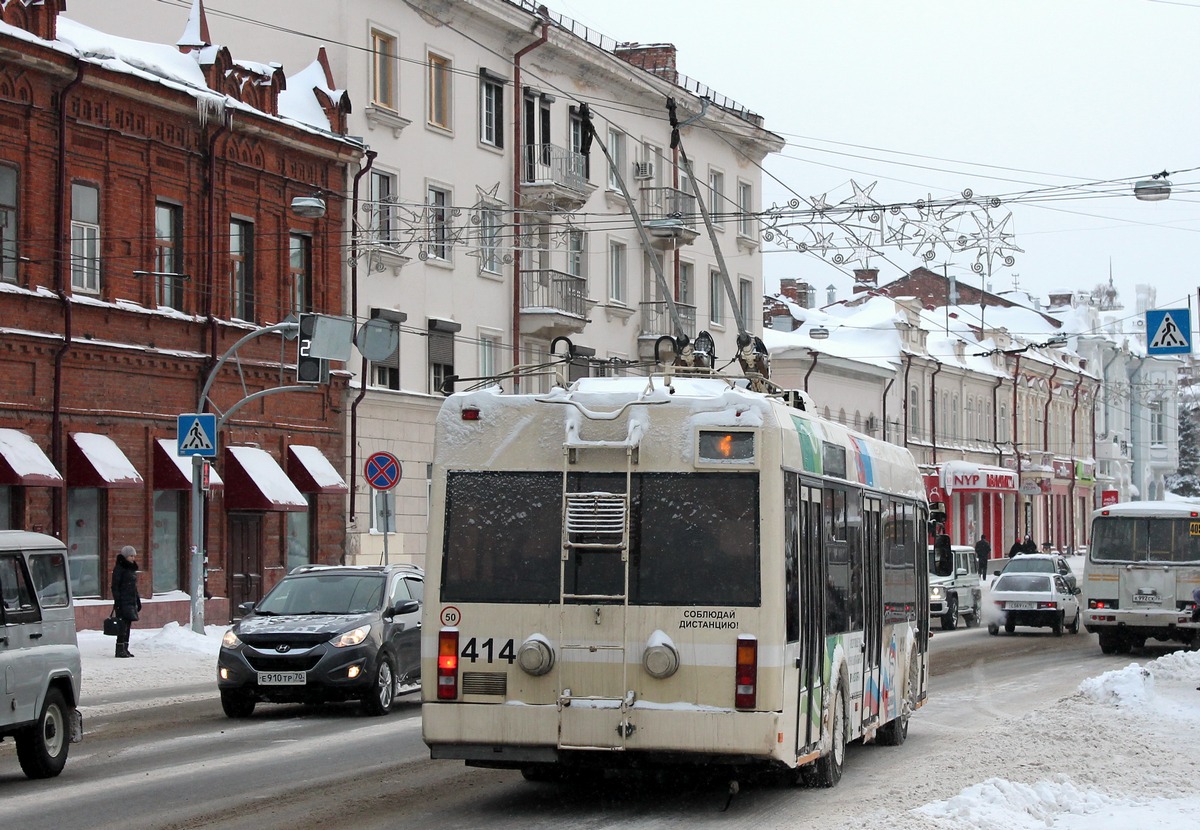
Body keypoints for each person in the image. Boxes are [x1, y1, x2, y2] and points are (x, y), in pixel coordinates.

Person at [111, 545, 142, 658]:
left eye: (134, 556)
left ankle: (125, 648)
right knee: (122, 626)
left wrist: (137, 601)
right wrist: (118, 601)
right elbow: (115, 586)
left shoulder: (131, 569)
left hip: (130, 601)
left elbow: (134, 588)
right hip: (123, 602)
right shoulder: (119, 569)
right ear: (125, 556)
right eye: (131, 556)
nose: (133, 558)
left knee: (128, 625)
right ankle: (119, 649)